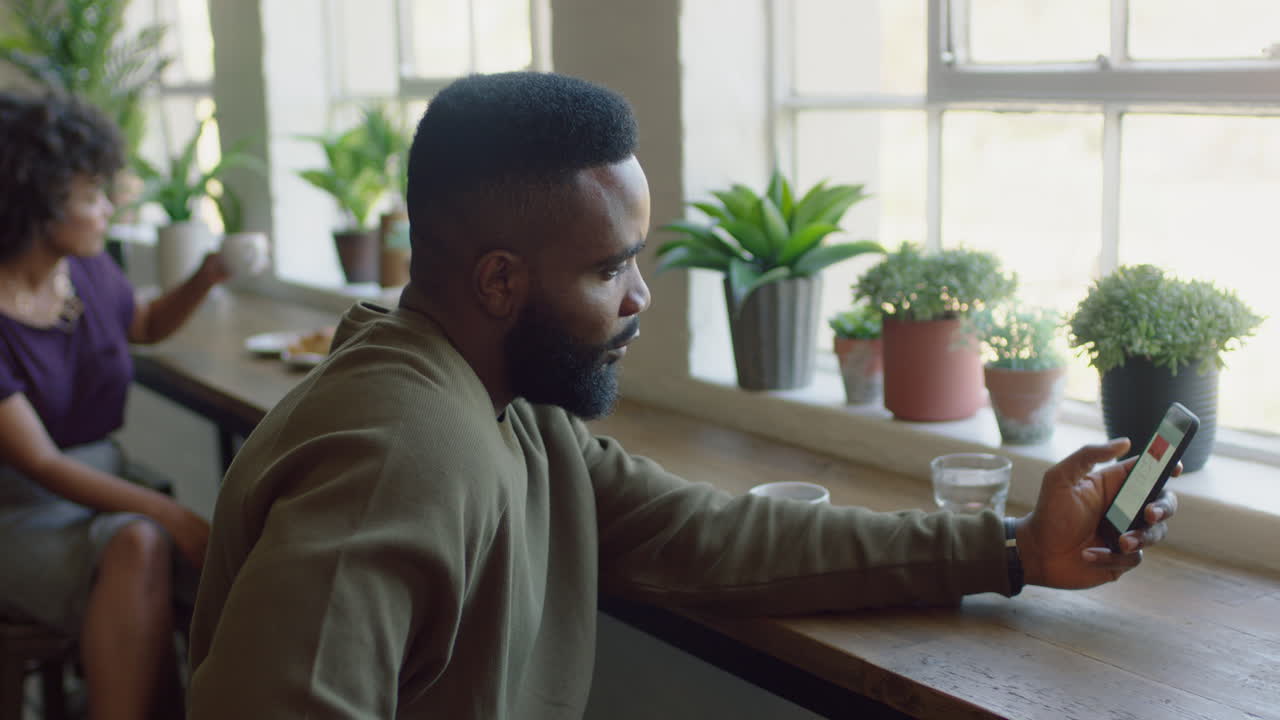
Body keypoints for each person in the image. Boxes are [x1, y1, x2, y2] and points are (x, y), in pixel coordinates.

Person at [187, 72, 1176, 718]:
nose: (638, 297)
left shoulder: (509, 406)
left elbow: (710, 535)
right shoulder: (397, 457)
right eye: (608, 269)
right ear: (498, 282)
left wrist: (1009, 549)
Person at [0, 91, 227, 717]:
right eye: (91, 195)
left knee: (212, 549)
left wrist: (207, 276)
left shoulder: (88, 270)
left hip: (105, 478)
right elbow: (41, 464)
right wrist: (174, 515)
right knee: (144, 541)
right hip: (19, 510)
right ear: (38, 203)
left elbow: (146, 324)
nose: (108, 208)